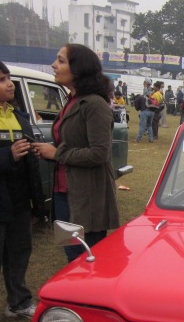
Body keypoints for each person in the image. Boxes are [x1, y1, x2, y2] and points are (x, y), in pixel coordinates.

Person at [31, 44, 120, 262]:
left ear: (79, 68)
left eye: (61, 61)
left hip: (86, 195)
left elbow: (99, 154)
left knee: (84, 257)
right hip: (64, 191)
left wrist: (56, 154)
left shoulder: (95, 105)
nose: (54, 65)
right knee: (72, 253)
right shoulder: (71, 101)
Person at [0, 58, 45, 322]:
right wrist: (7, 155)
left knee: (20, 253)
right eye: (0, 79)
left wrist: (36, 203)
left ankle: (18, 302)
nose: (9, 83)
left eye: (8, 77)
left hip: (19, 201)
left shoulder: (19, 115)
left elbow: (28, 162)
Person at [135, 78, 155, 143]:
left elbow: (146, 94)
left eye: (144, 83)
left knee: (142, 126)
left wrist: (145, 87)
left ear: (146, 83)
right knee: (149, 125)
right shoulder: (153, 91)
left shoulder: (147, 91)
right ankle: (151, 138)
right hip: (152, 111)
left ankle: (138, 138)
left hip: (145, 110)